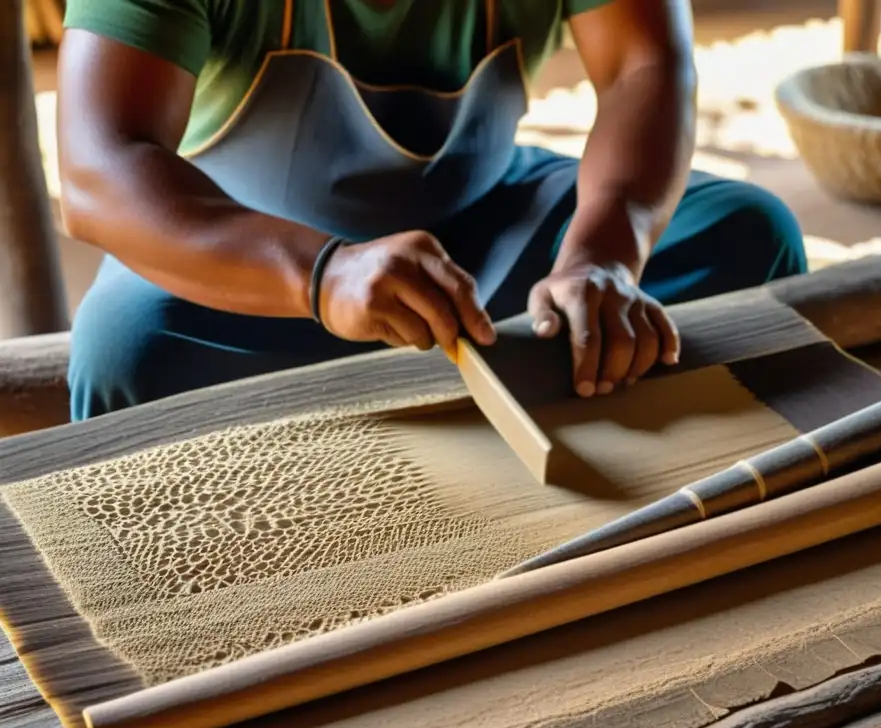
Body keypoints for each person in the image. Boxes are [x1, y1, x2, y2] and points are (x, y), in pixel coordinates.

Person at [57, 0, 807, 422]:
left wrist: (604, 253)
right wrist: (323, 276)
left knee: (749, 239)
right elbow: (97, 166)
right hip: (257, 272)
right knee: (128, 350)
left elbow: (645, 63)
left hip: (493, 233)